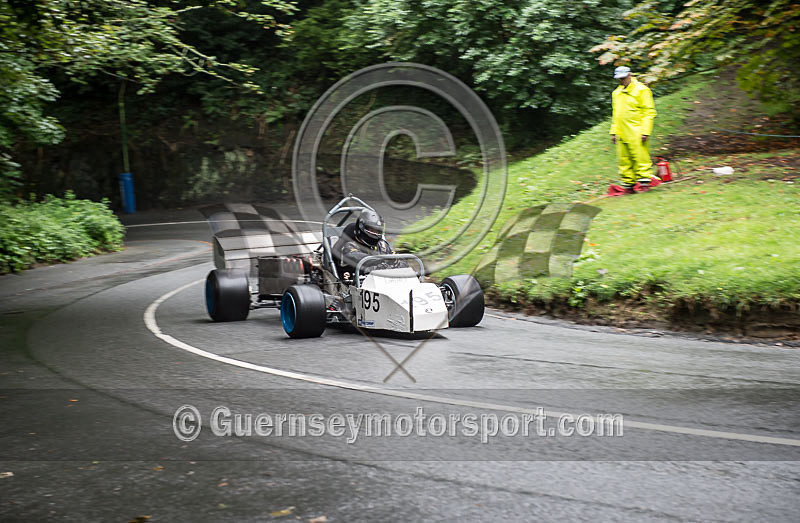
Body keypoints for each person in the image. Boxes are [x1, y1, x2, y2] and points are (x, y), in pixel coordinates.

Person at [610, 65, 658, 191]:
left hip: (637, 130)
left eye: (624, 78)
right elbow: (616, 114)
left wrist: (645, 131)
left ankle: (644, 183)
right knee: (624, 159)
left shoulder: (642, 90)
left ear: (630, 75)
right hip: (621, 131)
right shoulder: (616, 93)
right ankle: (628, 185)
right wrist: (614, 132)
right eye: (619, 79)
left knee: (640, 157)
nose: (622, 81)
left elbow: (649, 112)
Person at [333, 208, 393, 279]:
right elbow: (355, 257)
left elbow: (396, 259)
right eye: (372, 230)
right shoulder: (349, 246)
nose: (376, 233)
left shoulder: (381, 244)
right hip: (354, 283)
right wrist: (380, 259)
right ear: (361, 227)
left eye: (377, 230)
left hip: (379, 281)